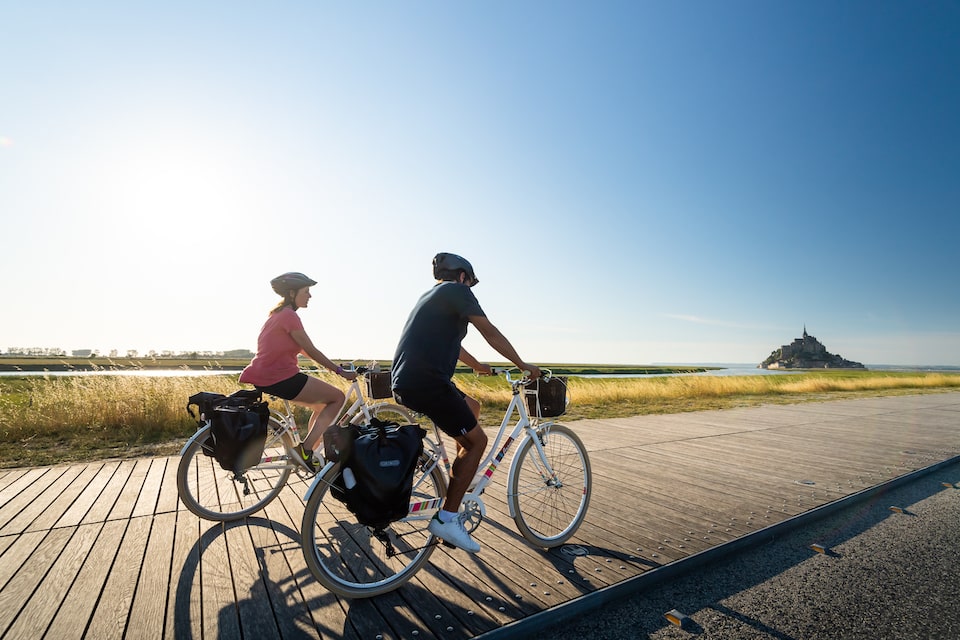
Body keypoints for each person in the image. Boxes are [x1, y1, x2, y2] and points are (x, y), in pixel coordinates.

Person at [391, 253, 541, 553]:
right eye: (471, 282)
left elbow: (454, 344)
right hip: (428, 382)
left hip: (408, 381)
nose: (471, 288)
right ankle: (447, 518)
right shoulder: (458, 291)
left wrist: (478, 366)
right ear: (462, 276)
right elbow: (490, 332)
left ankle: (459, 481)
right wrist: (523, 364)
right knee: (477, 442)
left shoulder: (433, 295)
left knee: (472, 407)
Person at [239, 272, 357, 473]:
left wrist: (338, 364)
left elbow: (304, 350)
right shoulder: (289, 316)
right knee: (337, 398)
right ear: (292, 293)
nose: (310, 296)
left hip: (266, 376)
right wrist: (339, 371)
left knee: (322, 407)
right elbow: (310, 349)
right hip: (279, 377)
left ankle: (308, 452)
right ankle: (305, 451)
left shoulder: (277, 315)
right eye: (306, 291)